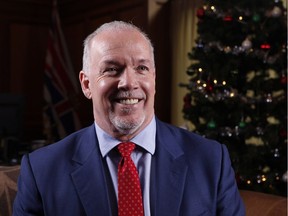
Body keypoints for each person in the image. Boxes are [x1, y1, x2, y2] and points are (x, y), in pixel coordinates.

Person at [13, 21, 245, 216]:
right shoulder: (41, 171)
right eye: (112, 69)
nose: (129, 83)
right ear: (86, 84)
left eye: (141, 68)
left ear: (153, 78)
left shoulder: (211, 160)